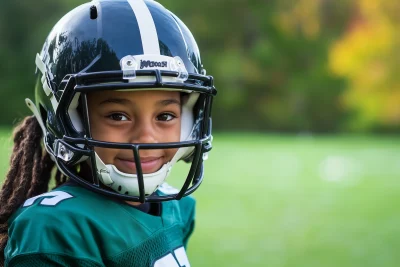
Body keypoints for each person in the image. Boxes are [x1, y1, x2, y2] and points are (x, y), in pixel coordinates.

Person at [0, 0, 217, 266]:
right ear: (70, 120)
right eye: (118, 116)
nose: (146, 137)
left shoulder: (176, 208)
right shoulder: (55, 229)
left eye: (165, 116)